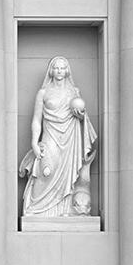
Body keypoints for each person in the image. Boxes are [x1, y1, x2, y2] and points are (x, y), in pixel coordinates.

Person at [18, 56, 97, 217]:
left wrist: (81, 116)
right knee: (46, 170)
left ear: (67, 71)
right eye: (56, 68)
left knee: (68, 173)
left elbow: (81, 118)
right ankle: (35, 209)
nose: (59, 71)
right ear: (51, 71)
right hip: (51, 136)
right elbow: (36, 120)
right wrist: (34, 142)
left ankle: (64, 210)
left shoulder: (74, 92)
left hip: (70, 136)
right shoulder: (43, 93)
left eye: (62, 68)